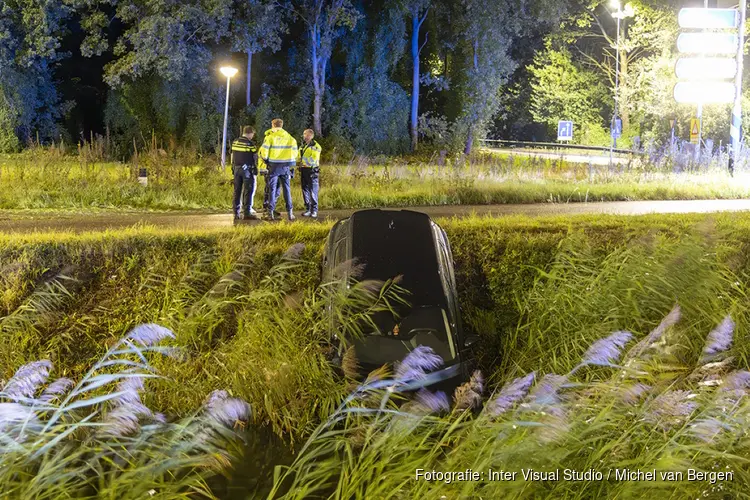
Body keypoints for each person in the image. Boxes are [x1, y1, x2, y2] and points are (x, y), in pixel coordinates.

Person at [260, 118, 298, 221]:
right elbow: (295, 154)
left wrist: (266, 160)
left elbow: (264, 153)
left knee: (272, 189)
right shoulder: (291, 138)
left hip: (274, 166)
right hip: (285, 167)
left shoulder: (270, 137)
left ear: (273, 125)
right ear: (282, 125)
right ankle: (290, 213)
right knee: (287, 190)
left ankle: (270, 213)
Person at [230, 125, 258, 219]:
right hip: (247, 170)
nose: (252, 136)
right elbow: (254, 156)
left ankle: (236, 212)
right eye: (253, 134)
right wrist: (255, 168)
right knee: (248, 190)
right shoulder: (250, 144)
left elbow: (232, 155)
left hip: (236, 169)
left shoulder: (235, 142)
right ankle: (247, 213)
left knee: (237, 191)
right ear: (250, 133)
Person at [299, 129, 322, 218]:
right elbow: (299, 156)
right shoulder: (303, 145)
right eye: (304, 134)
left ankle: (314, 210)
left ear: (311, 136)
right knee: (305, 190)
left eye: (307, 135)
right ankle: (308, 209)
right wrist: (298, 163)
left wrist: (303, 163)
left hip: (312, 171)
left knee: (313, 191)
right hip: (304, 170)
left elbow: (313, 159)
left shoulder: (316, 146)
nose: (305, 136)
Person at [260, 128, 281, 217]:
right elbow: (264, 156)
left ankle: (271, 208)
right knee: (270, 189)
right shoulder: (268, 140)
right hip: (269, 168)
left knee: (276, 190)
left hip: (276, 168)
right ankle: (267, 209)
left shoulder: (273, 140)